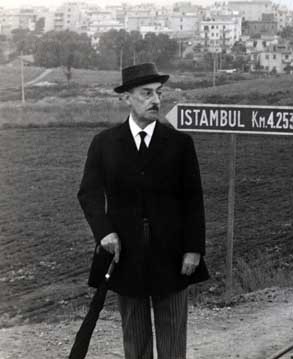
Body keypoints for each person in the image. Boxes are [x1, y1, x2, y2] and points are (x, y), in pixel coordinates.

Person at [78, 62, 209, 359]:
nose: (156, 100)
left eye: (159, 93)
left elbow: (193, 199)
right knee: (135, 337)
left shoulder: (179, 144)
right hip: (127, 254)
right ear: (126, 97)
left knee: (173, 334)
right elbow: (88, 193)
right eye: (146, 93)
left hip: (173, 255)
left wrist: (193, 249)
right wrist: (105, 232)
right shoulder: (105, 143)